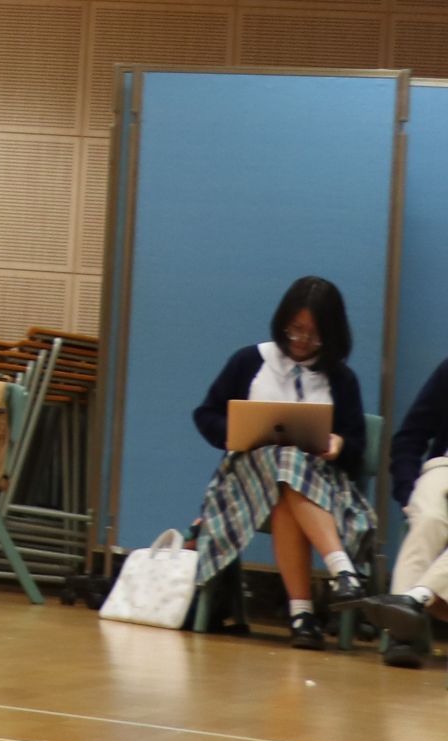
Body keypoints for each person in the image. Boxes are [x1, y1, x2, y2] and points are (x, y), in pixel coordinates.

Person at [188, 276, 375, 649]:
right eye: (296, 329)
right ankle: (342, 570)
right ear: (282, 322)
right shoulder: (250, 362)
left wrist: (339, 445)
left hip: (317, 488)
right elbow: (205, 414)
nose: (302, 340)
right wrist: (239, 432)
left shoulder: (340, 379)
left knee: (286, 483)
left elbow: (356, 445)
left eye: (314, 335)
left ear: (331, 335)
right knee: (284, 459)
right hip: (244, 483)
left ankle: (302, 616)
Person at [356, 354, 448, 667]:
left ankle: (408, 606)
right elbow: (410, 437)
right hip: (443, 467)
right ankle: (408, 618)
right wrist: (408, 492)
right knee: (429, 519)